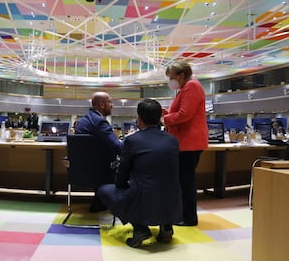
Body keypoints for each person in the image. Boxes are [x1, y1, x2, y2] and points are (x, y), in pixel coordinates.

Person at [98, 99, 182, 248]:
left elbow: (122, 176)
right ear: (159, 118)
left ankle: (140, 229)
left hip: (144, 200)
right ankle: (166, 227)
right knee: (160, 185)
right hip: (172, 202)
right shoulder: (173, 141)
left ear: (139, 118)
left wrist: (121, 187)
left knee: (105, 190)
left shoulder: (133, 141)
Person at [162, 61, 208, 227]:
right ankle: (184, 214)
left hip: (190, 142)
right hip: (185, 142)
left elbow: (184, 115)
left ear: (182, 75)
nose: (171, 81)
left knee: (186, 181)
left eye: (172, 78)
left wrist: (165, 118)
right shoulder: (185, 88)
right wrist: (167, 113)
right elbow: (181, 113)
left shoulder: (192, 86)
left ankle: (189, 218)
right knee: (183, 180)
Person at [75, 91, 122, 213]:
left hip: (82, 169)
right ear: (101, 104)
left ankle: (100, 202)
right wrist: (132, 139)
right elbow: (117, 147)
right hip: (100, 171)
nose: (112, 105)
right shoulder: (99, 122)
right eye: (110, 102)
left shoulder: (87, 119)